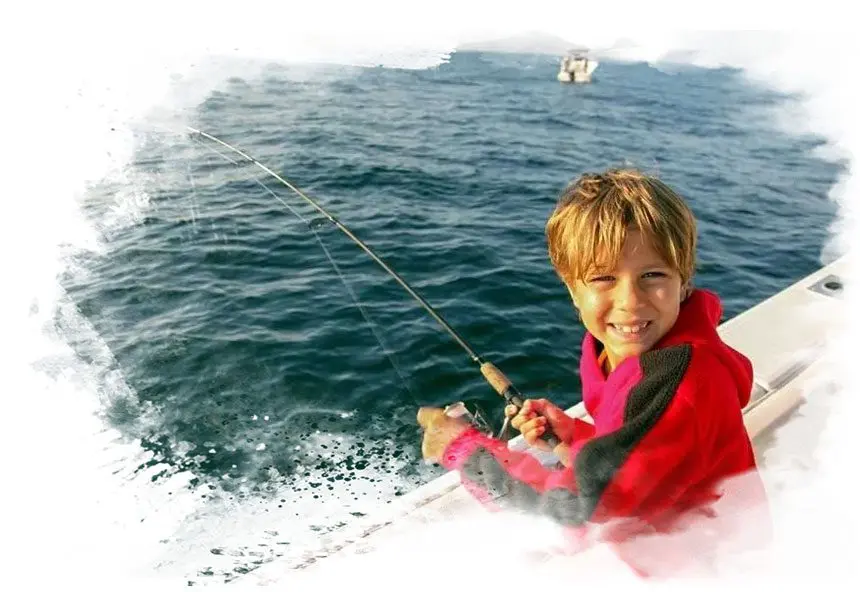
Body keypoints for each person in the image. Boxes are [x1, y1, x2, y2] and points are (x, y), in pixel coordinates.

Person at [416, 168, 770, 578]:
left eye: (653, 276)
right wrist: (576, 437)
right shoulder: (637, 352)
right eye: (604, 278)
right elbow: (644, 447)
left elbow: (575, 517)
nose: (630, 302)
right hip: (675, 547)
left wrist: (468, 454)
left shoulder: (677, 383)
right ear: (572, 289)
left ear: (684, 280)